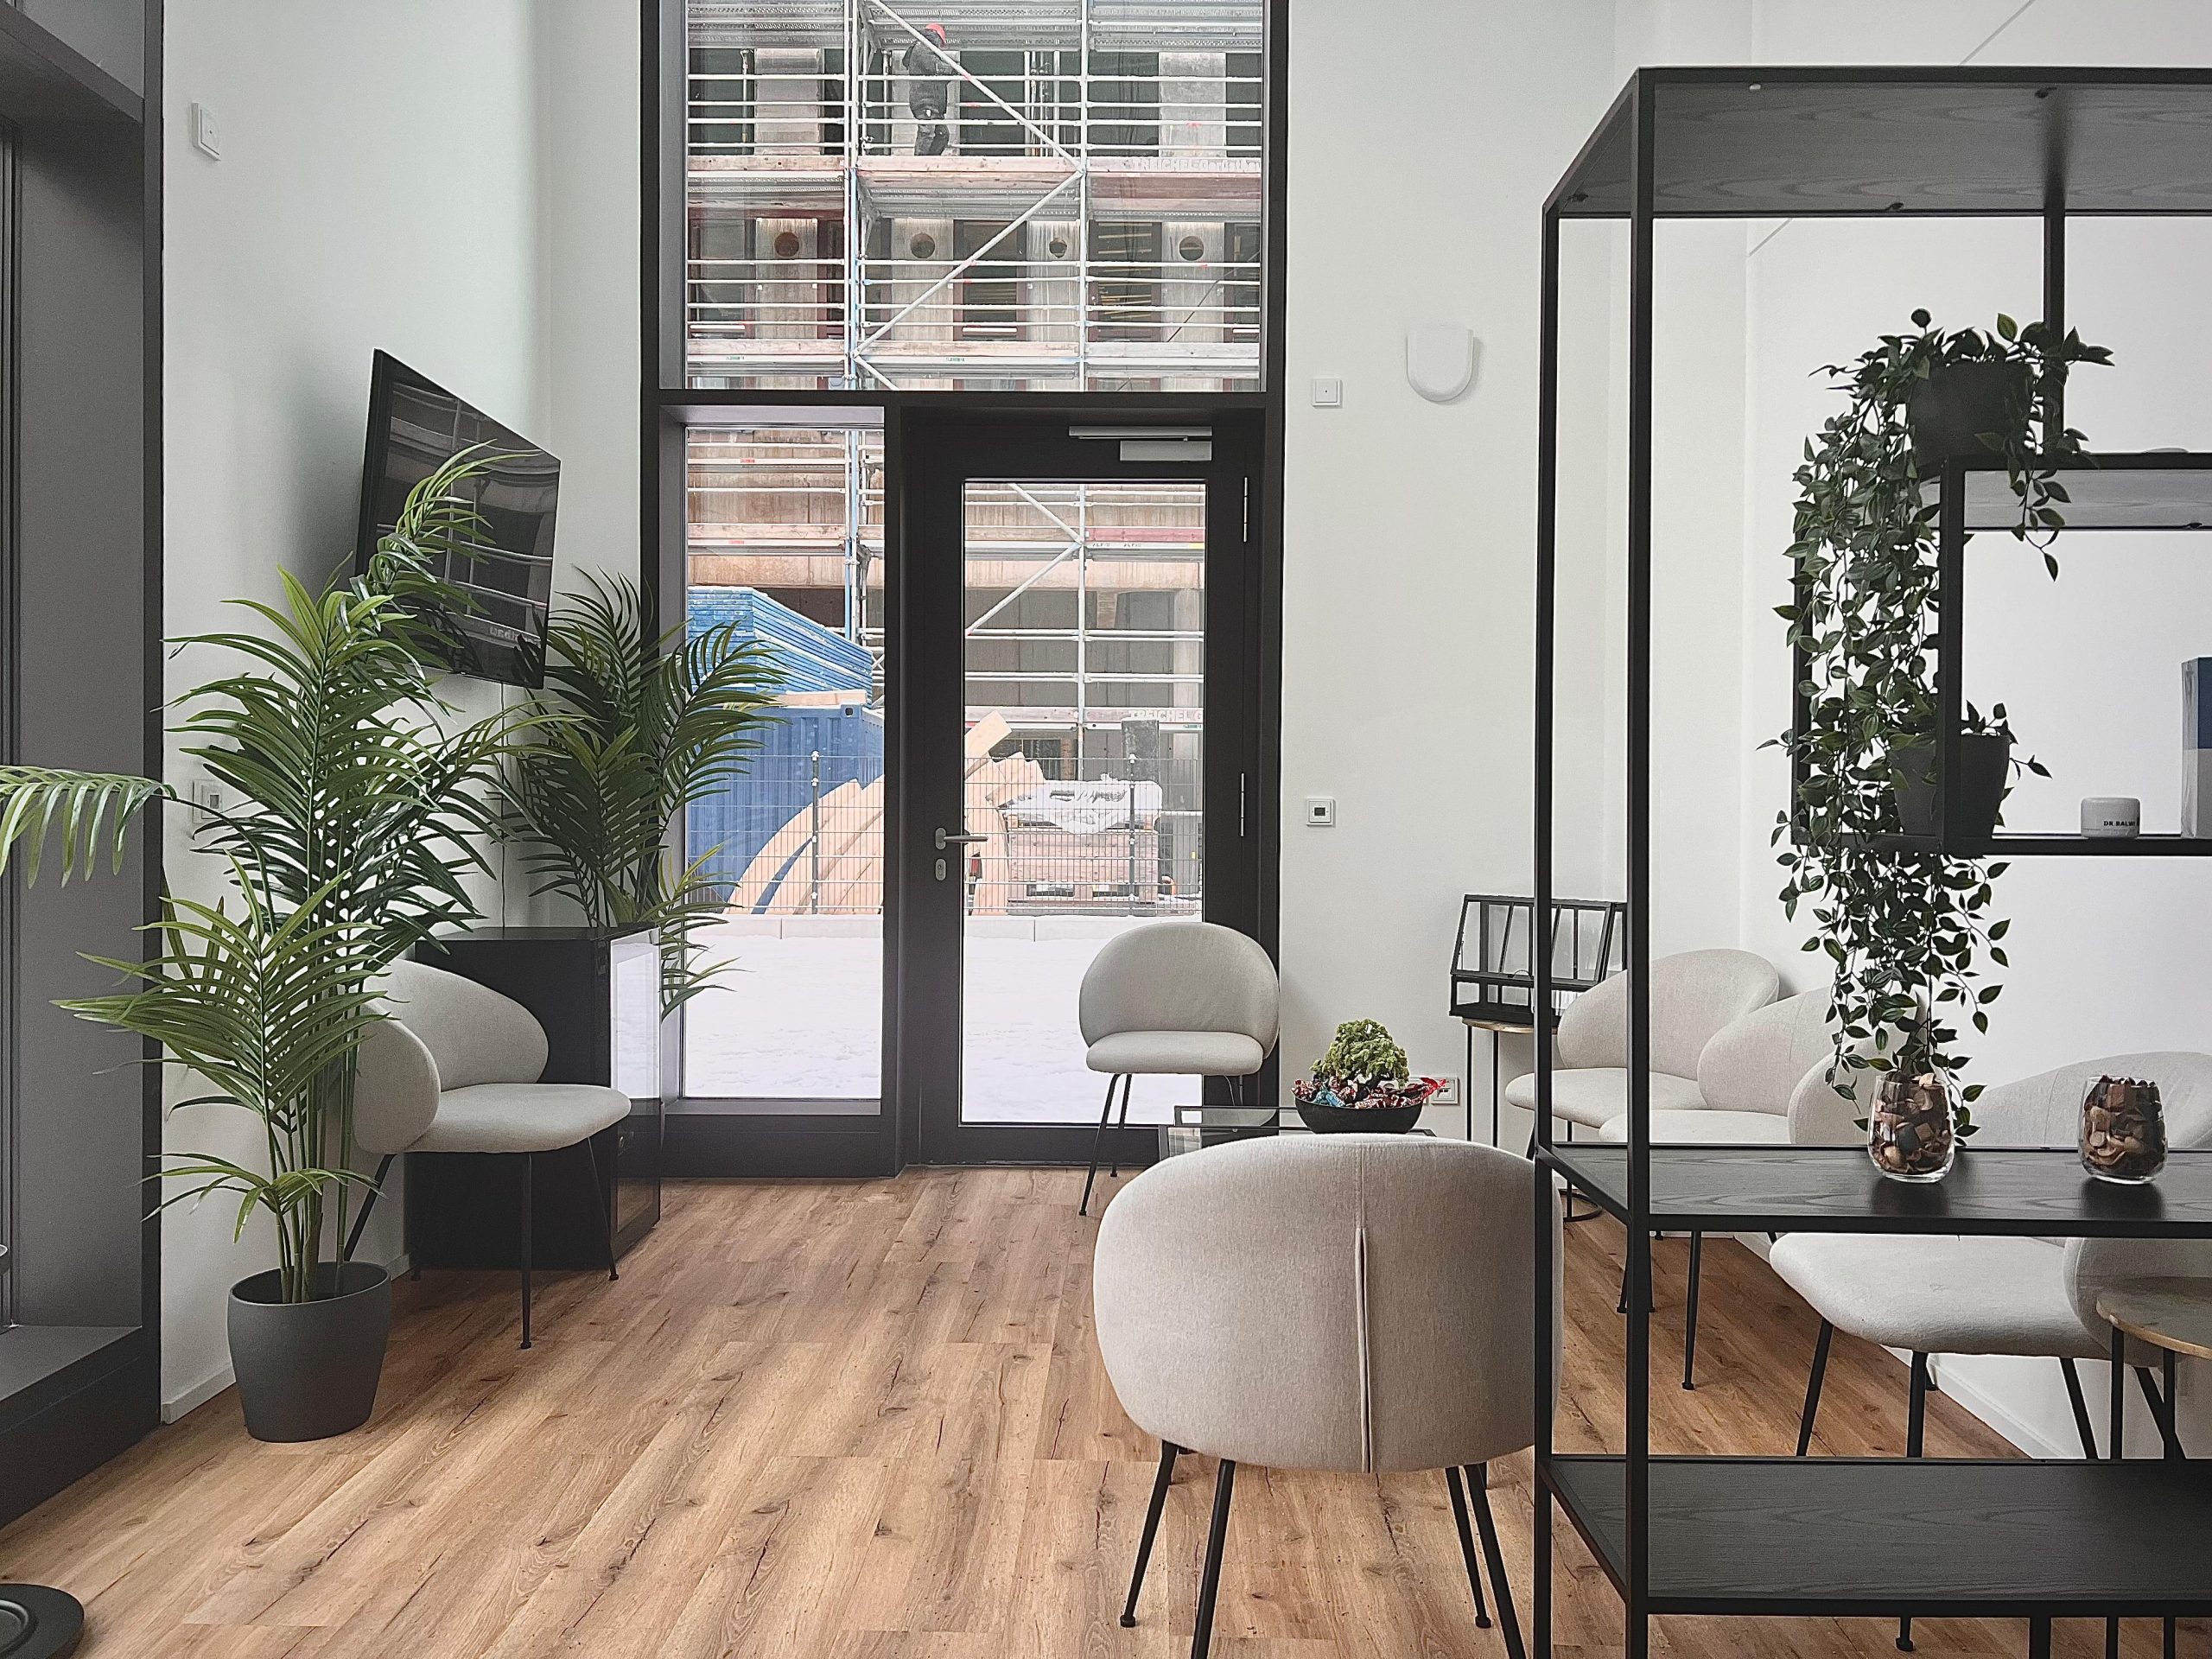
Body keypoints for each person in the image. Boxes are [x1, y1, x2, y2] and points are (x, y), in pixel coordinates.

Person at [906, 22, 954, 156]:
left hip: (933, 103)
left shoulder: (928, 50)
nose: (940, 46)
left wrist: (951, 73)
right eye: (940, 42)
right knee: (927, 132)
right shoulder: (922, 47)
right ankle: (919, 165)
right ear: (935, 36)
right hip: (925, 100)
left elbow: (939, 77)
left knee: (942, 135)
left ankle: (930, 162)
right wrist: (953, 68)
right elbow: (935, 66)